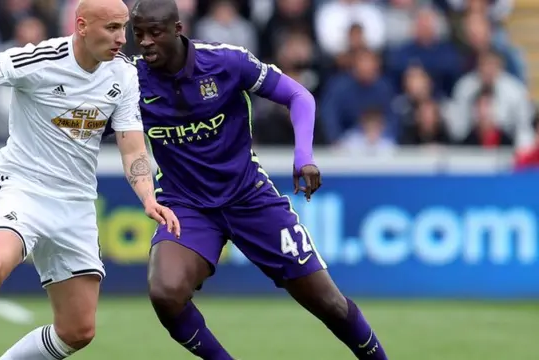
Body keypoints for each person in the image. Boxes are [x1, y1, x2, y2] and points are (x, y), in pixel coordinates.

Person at [0, 0, 180, 359]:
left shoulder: (123, 75)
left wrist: (148, 197)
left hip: (76, 204)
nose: (121, 39)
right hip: (22, 188)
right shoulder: (36, 60)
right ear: (81, 26)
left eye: (123, 28)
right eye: (111, 28)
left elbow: (132, 149)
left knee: (78, 331)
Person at [128, 0, 388, 359]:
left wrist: (304, 158)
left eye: (154, 32)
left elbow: (298, 96)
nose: (144, 42)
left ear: (177, 29)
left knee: (329, 303)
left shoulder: (226, 62)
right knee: (164, 292)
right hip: (185, 205)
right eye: (137, 33)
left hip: (249, 198)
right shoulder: (129, 80)